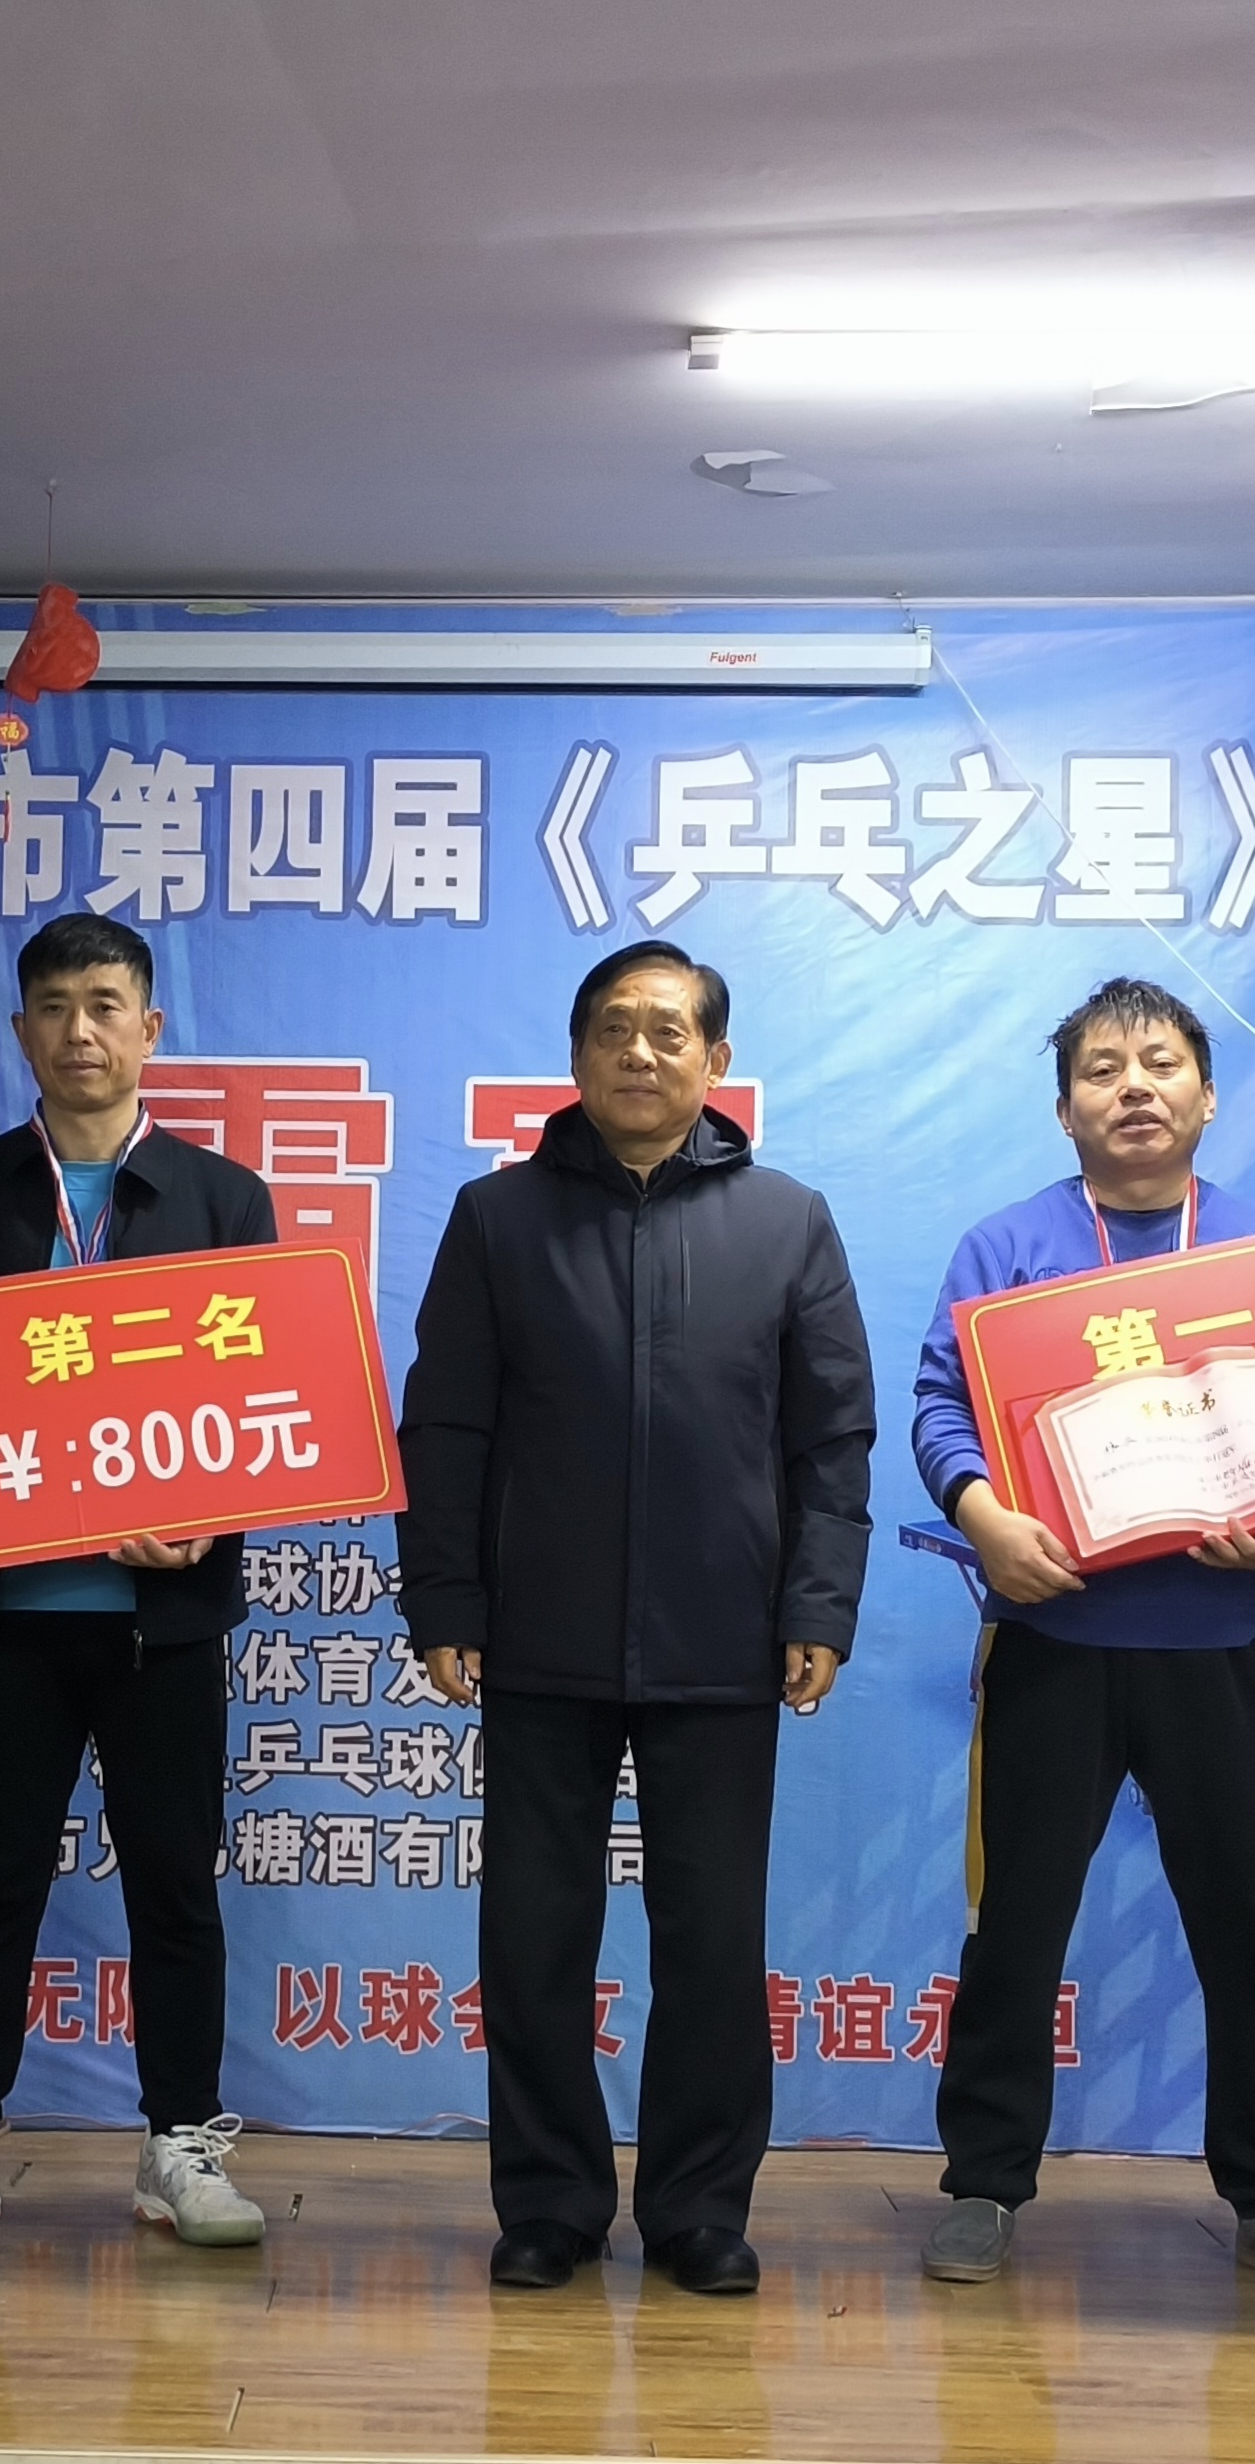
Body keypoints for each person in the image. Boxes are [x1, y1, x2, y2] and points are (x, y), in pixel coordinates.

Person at [399, 939, 875, 2296]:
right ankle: (549, 2202)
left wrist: (818, 1603)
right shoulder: (498, 1219)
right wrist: (445, 1597)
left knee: (712, 1943)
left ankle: (698, 2209)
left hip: (724, 1639)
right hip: (535, 1639)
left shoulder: (787, 1221)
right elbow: (447, 1425)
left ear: (716, 1061)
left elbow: (831, 1436)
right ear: (576, 1056)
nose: (640, 1053)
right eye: (614, 1028)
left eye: (670, 1032)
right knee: (533, 1939)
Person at [906, 977, 1255, 2294]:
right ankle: (984, 2182)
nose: (1134, 1087)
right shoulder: (1008, 1249)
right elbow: (941, 1405)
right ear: (1066, 1111)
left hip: (1220, 1641)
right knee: (1015, 1925)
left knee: (1251, 1930)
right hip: (1052, 1638)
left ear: (1209, 1096)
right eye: (1102, 1069)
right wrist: (983, 1517)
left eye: (1161, 1063)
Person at [0, 913, 279, 2253]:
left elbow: (261, 1403)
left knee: (175, 1887)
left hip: (164, 1622)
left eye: (106, 1004)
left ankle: (182, 2141)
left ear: (150, 1028)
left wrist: (210, 1518)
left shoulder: (222, 1199)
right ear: (20, 1031)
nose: (80, 1030)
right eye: (54, 1006)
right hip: (12, 1614)